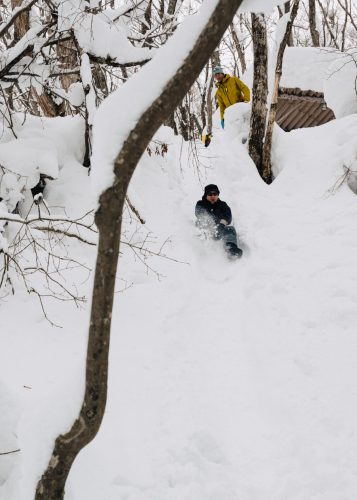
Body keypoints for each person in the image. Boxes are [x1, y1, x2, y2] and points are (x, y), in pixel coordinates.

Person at [195, 184, 243, 258]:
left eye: (215, 194)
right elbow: (199, 213)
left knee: (230, 229)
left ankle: (231, 249)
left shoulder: (223, 205)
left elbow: (228, 217)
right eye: (210, 194)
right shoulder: (200, 204)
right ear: (206, 195)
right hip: (205, 230)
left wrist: (222, 223)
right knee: (199, 223)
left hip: (219, 230)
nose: (213, 196)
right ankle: (198, 250)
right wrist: (210, 222)